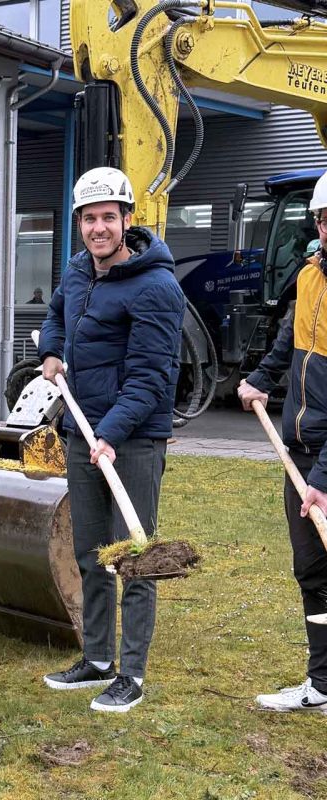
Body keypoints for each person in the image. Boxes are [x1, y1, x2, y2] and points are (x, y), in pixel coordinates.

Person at [38, 167, 185, 712]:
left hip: (135, 440)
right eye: (89, 219)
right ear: (79, 223)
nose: (98, 228)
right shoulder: (79, 271)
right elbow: (56, 315)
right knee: (90, 551)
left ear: (127, 220)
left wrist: (111, 434)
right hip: (84, 431)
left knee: (135, 555)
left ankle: (134, 676)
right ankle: (97, 659)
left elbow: (150, 379)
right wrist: (52, 351)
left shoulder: (157, 288)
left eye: (108, 217)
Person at [237, 169, 327, 712]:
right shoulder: (309, 277)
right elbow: (290, 343)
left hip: (324, 465)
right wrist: (259, 380)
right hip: (301, 449)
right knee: (313, 572)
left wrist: (323, 479)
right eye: (322, 218)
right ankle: (321, 683)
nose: (326, 228)